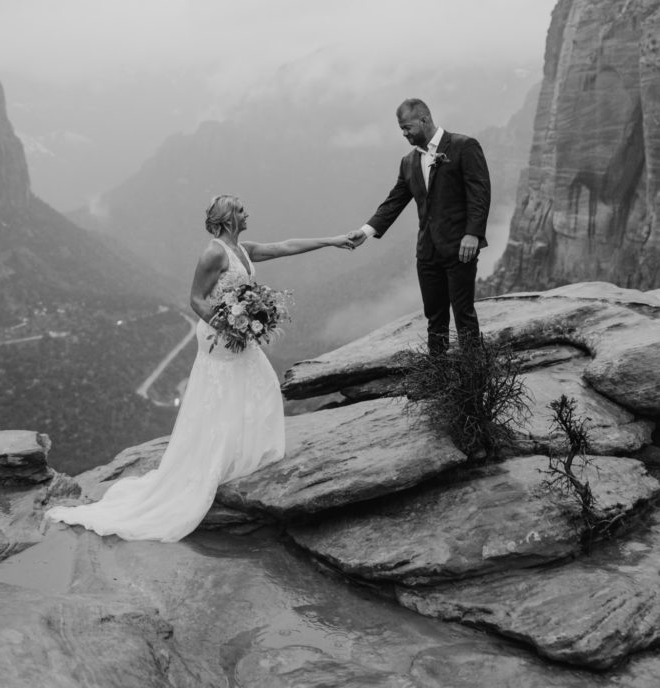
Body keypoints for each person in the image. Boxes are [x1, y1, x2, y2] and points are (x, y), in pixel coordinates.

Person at [48, 194, 354, 541]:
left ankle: (243, 456)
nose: (246, 212)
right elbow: (195, 298)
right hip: (220, 337)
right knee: (224, 393)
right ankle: (215, 463)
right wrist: (229, 326)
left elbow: (285, 246)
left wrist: (333, 241)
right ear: (226, 218)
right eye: (240, 209)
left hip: (238, 334)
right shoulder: (213, 253)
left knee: (260, 384)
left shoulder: (242, 249)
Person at [348, 98, 490, 353]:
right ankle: (438, 382)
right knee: (435, 319)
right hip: (427, 252)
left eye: (407, 127)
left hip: (460, 248)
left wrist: (473, 234)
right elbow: (395, 201)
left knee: (464, 316)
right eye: (401, 129)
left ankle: (474, 384)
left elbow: (479, 194)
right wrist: (366, 232)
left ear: (424, 120)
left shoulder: (463, 146)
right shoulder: (408, 161)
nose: (404, 134)